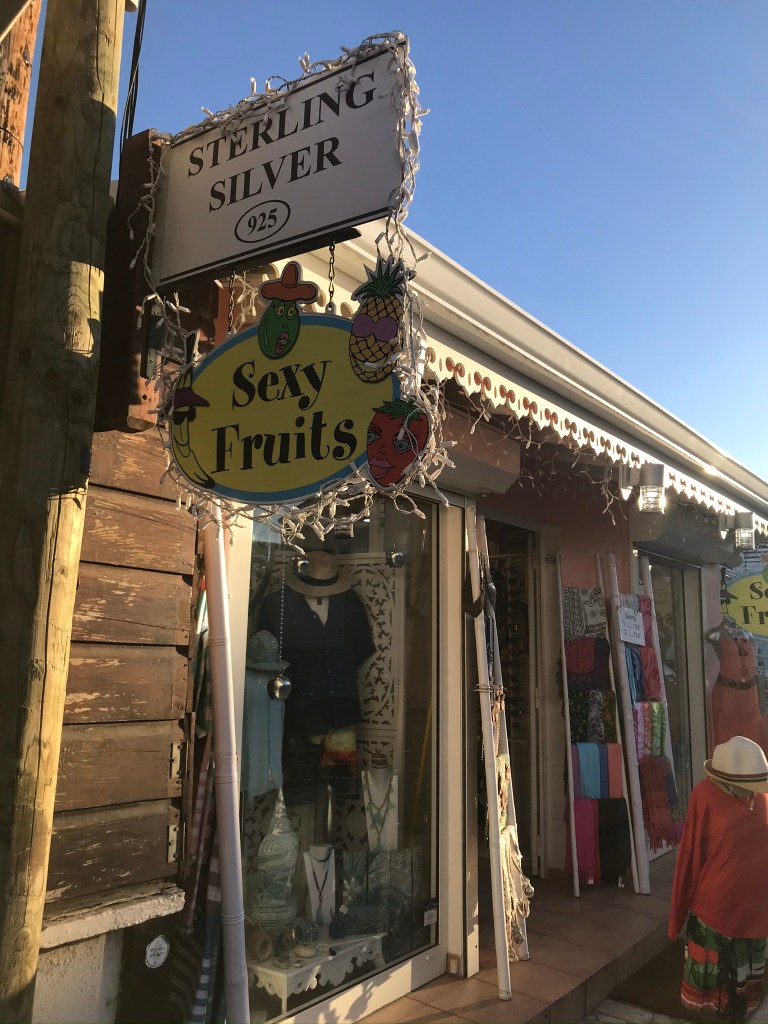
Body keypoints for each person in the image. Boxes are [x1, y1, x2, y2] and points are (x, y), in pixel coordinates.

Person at [668, 736, 768, 1021]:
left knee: (743, 1001)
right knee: (714, 1002)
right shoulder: (704, 796)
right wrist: (676, 917)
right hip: (714, 915)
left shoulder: (762, 796)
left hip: (755, 917)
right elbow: (689, 857)